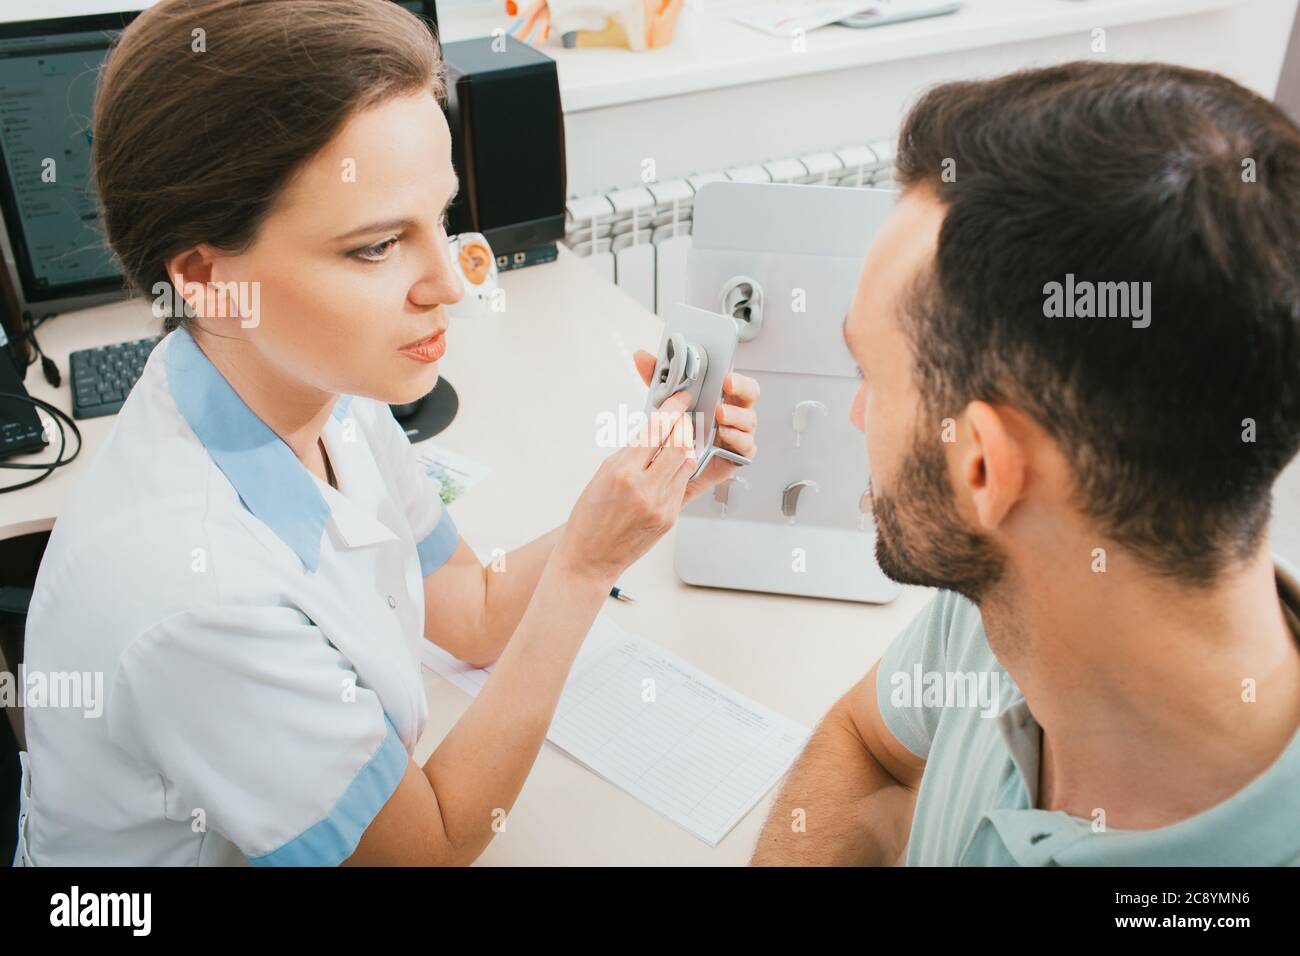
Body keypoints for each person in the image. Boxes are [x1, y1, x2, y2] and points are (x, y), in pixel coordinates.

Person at [14, 0, 758, 866]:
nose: (449, 283)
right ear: (207, 279)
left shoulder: (320, 387)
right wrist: (585, 572)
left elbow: (472, 614)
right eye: (376, 247)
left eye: (441, 218)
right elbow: (429, 849)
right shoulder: (196, 600)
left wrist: (638, 492)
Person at [754, 61, 1300, 866]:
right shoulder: (1000, 596)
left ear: (984, 469)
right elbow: (869, 745)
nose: (855, 415)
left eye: (870, 376)